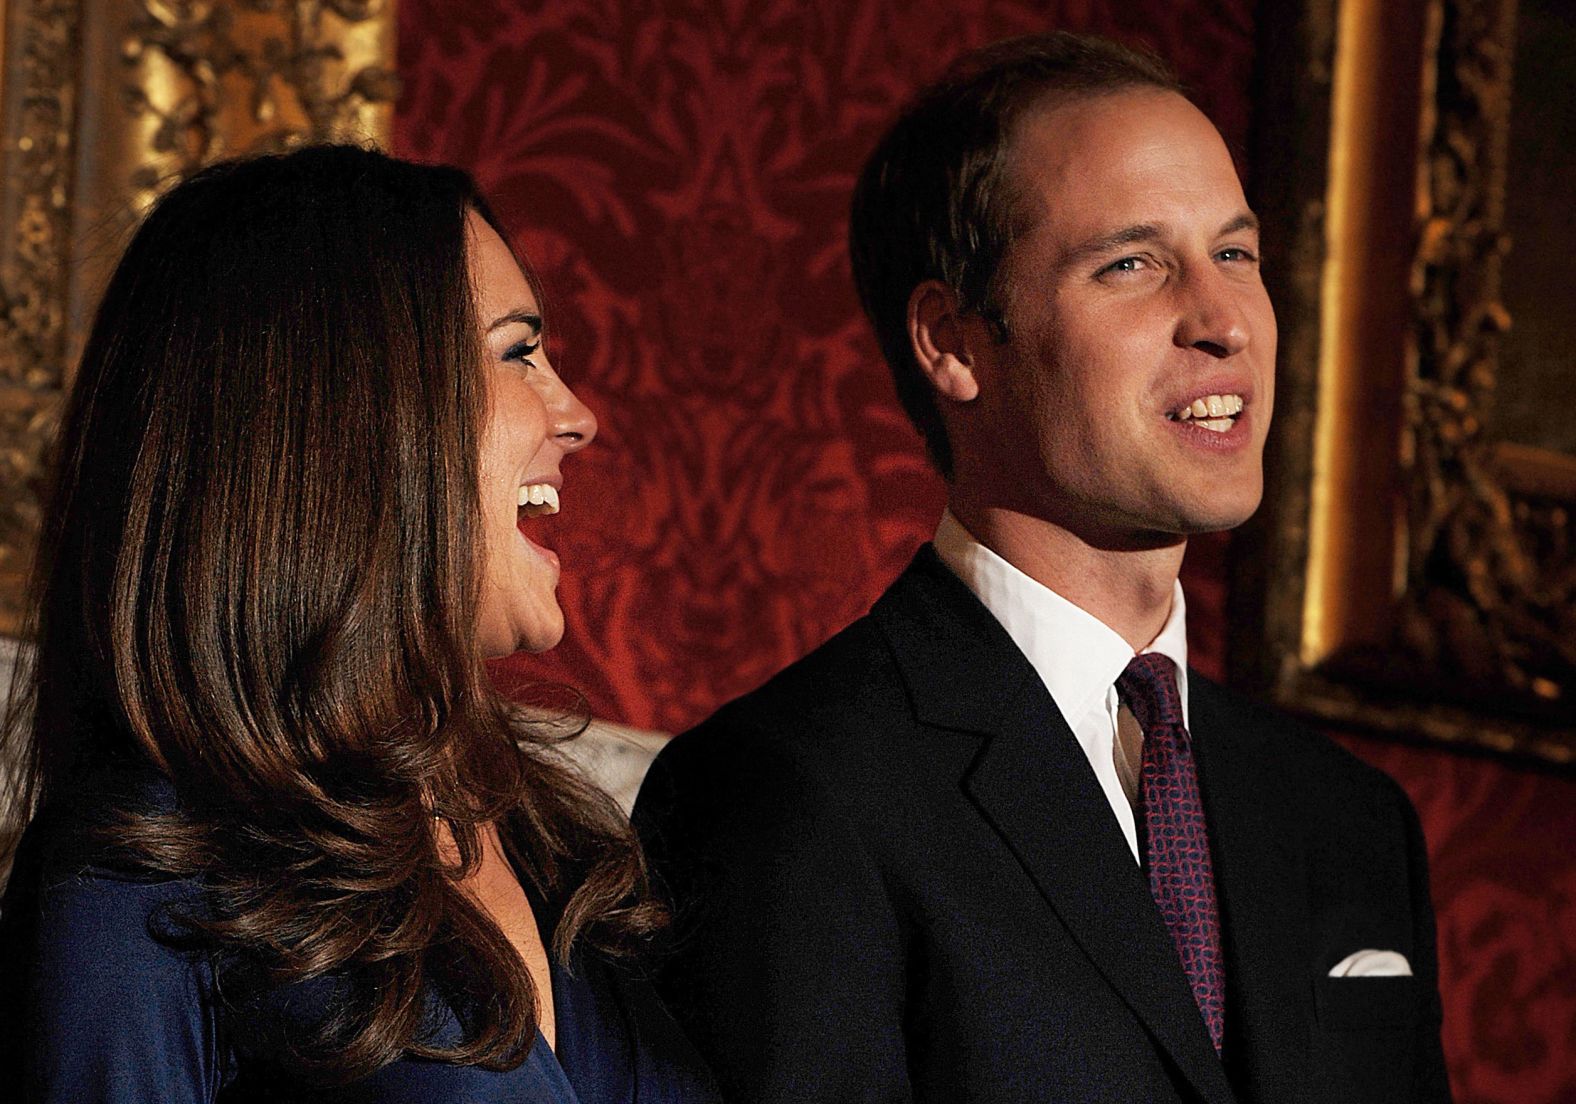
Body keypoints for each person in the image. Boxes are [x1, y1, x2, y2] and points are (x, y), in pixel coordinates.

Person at [633, 32, 1452, 1104]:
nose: (1222, 321)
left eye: (1236, 254)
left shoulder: (1348, 819)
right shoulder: (787, 791)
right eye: (1133, 263)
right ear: (954, 342)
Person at [0, 145, 720, 1104]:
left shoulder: (554, 845)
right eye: (518, 352)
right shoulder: (145, 871)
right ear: (356, 414)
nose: (577, 415)